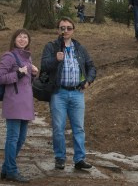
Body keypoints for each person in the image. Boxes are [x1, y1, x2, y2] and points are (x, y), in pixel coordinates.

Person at [41, 17, 97, 172]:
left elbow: (91, 67)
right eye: (62, 28)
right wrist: (56, 59)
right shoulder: (51, 46)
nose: (65, 31)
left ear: (73, 30)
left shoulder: (79, 48)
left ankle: (79, 159)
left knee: (78, 128)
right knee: (58, 127)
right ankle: (60, 158)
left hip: (77, 93)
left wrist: (88, 81)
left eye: (69, 28)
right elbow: (43, 66)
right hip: (58, 93)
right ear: (58, 30)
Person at [0, 29, 40, 182]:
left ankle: (6, 169)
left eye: (25, 37)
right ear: (14, 39)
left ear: (29, 40)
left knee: (20, 139)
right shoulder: (9, 56)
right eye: (19, 37)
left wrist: (33, 74)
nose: (22, 39)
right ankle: (12, 171)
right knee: (13, 138)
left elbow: (26, 83)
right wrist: (18, 74)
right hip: (14, 102)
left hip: (26, 103)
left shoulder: (28, 57)